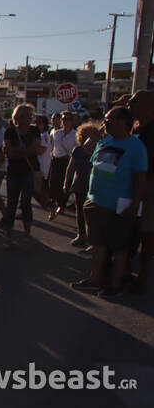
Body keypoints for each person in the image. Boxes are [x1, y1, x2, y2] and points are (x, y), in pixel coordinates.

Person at [72, 107, 147, 298]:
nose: (105, 123)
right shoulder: (105, 141)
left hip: (117, 205)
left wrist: (135, 203)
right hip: (95, 201)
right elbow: (92, 159)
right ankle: (95, 277)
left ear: (123, 122)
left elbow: (140, 178)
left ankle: (116, 283)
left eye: (109, 119)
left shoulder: (135, 146)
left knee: (119, 247)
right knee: (98, 244)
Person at [2, 104, 41, 249]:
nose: (29, 118)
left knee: (26, 203)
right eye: (27, 115)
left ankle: (27, 235)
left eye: (31, 115)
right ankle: (9, 236)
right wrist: (25, 151)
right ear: (18, 117)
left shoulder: (34, 130)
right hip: (13, 172)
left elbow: (35, 150)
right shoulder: (10, 132)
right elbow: (9, 153)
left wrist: (17, 151)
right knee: (11, 204)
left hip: (29, 172)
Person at [128, 90, 154, 294]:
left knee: (147, 232)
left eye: (134, 100)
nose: (129, 103)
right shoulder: (135, 128)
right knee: (131, 229)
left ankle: (143, 275)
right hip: (131, 184)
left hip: (148, 187)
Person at [63, 122, 102, 248]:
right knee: (80, 212)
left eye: (91, 137)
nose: (88, 140)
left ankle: (93, 240)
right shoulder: (78, 150)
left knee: (93, 214)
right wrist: (66, 183)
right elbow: (70, 168)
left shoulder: (100, 151)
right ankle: (81, 235)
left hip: (95, 187)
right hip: (80, 185)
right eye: (85, 136)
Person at [49, 111, 78, 220]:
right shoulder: (56, 133)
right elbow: (52, 145)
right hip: (56, 161)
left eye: (68, 119)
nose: (65, 121)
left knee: (65, 184)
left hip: (67, 161)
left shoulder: (75, 134)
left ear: (72, 121)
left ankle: (61, 205)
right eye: (63, 119)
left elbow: (77, 149)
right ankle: (54, 205)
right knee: (53, 184)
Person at [34, 115, 53, 208]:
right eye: (36, 122)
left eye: (39, 122)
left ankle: (48, 203)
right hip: (36, 166)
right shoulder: (37, 135)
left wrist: (31, 148)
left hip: (41, 166)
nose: (36, 124)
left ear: (44, 124)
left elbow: (41, 151)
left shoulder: (44, 136)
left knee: (35, 189)